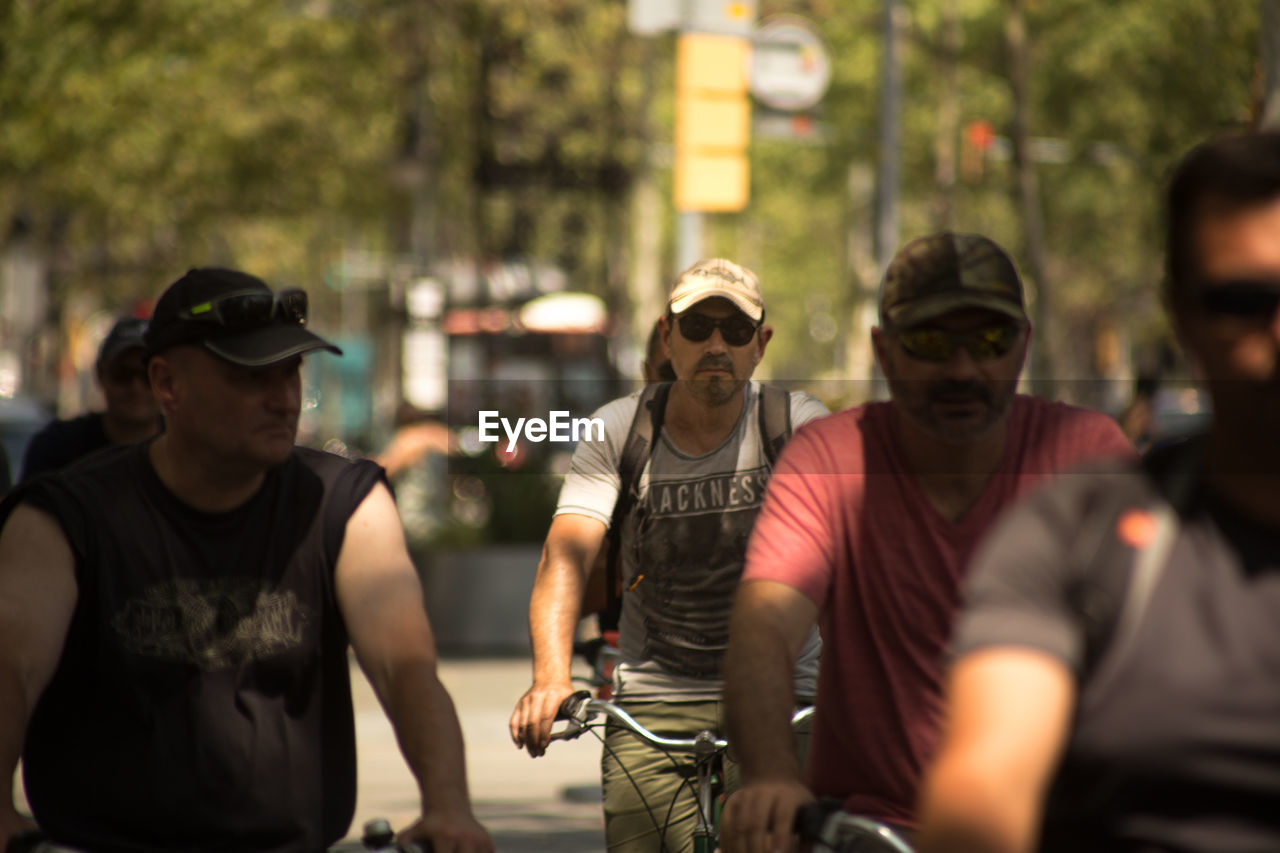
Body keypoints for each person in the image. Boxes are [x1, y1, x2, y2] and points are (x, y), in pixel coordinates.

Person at [0, 268, 492, 853]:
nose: (284, 399)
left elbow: (403, 667)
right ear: (167, 384)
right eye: (251, 377)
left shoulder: (345, 502)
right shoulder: (64, 515)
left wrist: (448, 807)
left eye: (292, 373)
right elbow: (12, 665)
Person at [915, 131, 1280, 853]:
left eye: (987, 341)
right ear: (1182, 319)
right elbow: (985, 778)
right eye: (1243, 300)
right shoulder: (1078, 529)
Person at [719, 232, 1135, 852]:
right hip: (875, 833)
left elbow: (1162, 636)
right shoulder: (831, 459)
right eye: (932, 343)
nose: (963, 369)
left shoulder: (1087, 456)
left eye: (989, 341)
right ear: (884, 353)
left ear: (1021, 347)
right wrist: (772, 778)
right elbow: (764, 627)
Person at [509, 258, 829, 851]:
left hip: (785, 696)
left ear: (761, 345)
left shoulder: (798, 426)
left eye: (735, 332)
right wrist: (550, 678)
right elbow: (567, 556)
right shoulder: (617, 430)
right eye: (697, 326)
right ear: (666, 336)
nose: (715, 344)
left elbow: (844, 562)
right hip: (654, 703)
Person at [19, 316, 163, 481]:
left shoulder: (187, 450)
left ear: (166, 380)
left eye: (148, 376)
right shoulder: (57, 447)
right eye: (123, 374)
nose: (136, 388)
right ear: (101, 375)